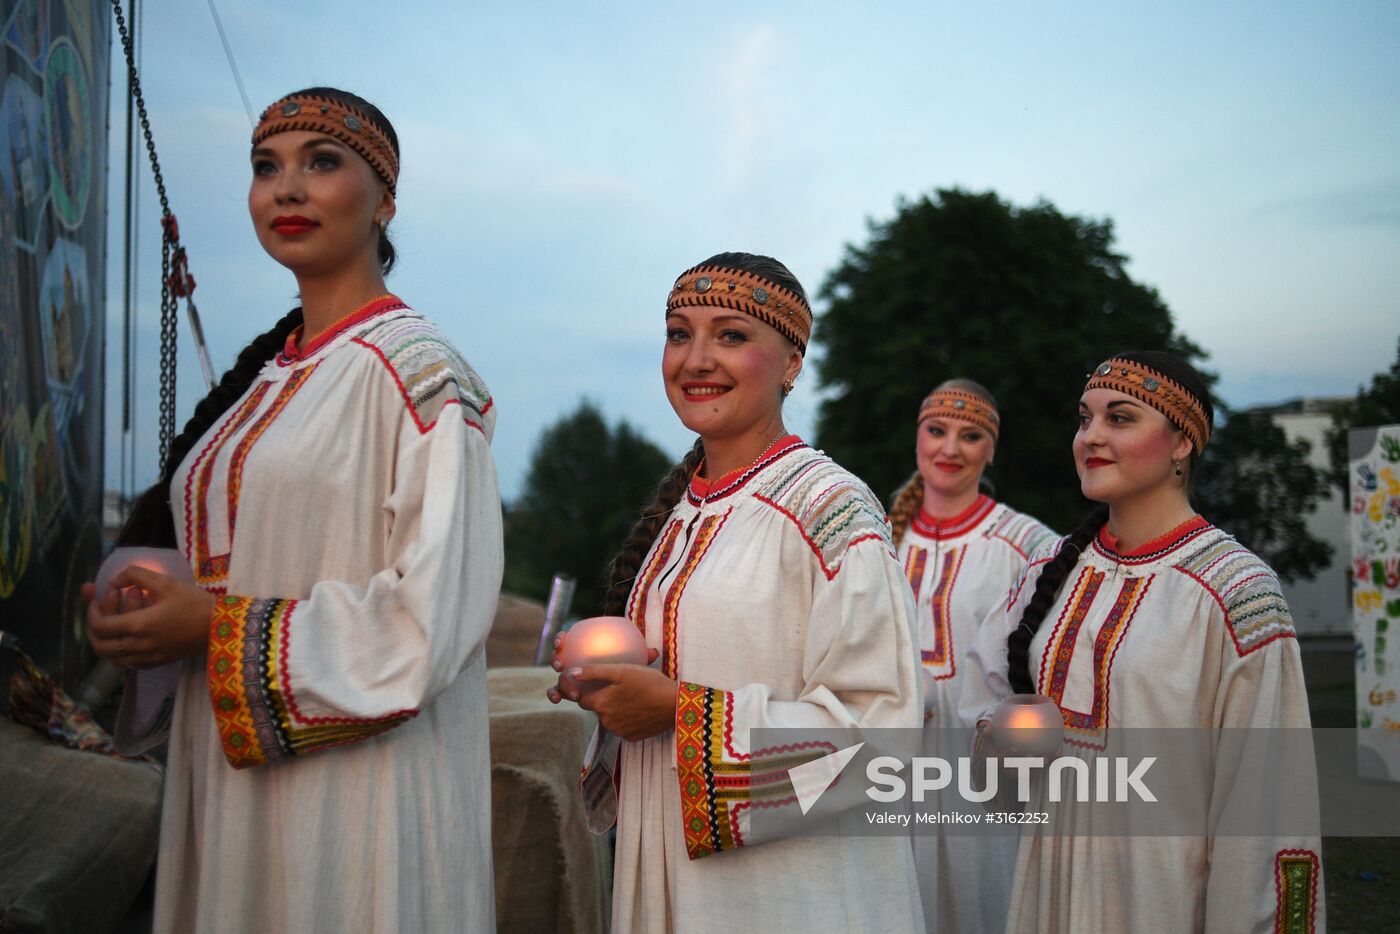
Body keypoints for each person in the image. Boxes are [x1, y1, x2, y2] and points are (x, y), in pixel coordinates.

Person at [85, 88, 501, 933]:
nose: (287, 188)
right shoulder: (260, 388)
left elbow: (432, 619)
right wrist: (146, 619)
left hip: (359, 799)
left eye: (322, 163)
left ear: (384, 200)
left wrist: (211, 626)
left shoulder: (421, 378)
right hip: (229, 780)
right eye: (265, 168)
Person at [548, 252, 925, 933]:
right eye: (677, 333)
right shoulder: (679, 518)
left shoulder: (831, 509)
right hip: (671, 874)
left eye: (730, 335)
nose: (695, 359)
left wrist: (680, 712)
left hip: (790, 898)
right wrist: (605, 692)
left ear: (790, 364)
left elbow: (884, 736)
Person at [960, 351, 1325, 933]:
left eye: (1121, 418)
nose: (1091, 437)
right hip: (1046, 888)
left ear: (1182, 443)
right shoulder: (1048, 571)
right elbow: (982, 708)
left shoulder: (1237, 591)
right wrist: (1007, 737)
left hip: (1165, 898)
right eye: (1085, 418)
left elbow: (1266, 807)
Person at [888, 379, 1054, 933]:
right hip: (893, 767)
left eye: (971, 435)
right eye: (937, 431)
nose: (950, 449)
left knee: (985, 898)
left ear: (991, 449)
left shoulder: (1028, 544)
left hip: (980, 771)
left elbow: (1054, 658)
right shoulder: (879, 542)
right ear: (918, 437)